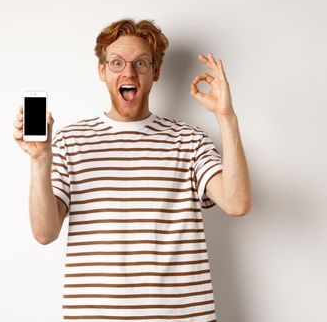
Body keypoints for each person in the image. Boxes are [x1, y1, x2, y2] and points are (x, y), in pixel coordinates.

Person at [13, 19, 252, 321]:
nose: (129, 72)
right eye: (117, 63)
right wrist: (39, 160)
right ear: (102, 71)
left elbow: (237, 202)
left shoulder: (189, 140)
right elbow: (44, 233)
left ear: (156, 72)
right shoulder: (69, 142)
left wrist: (226, 117)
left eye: (140, 63)